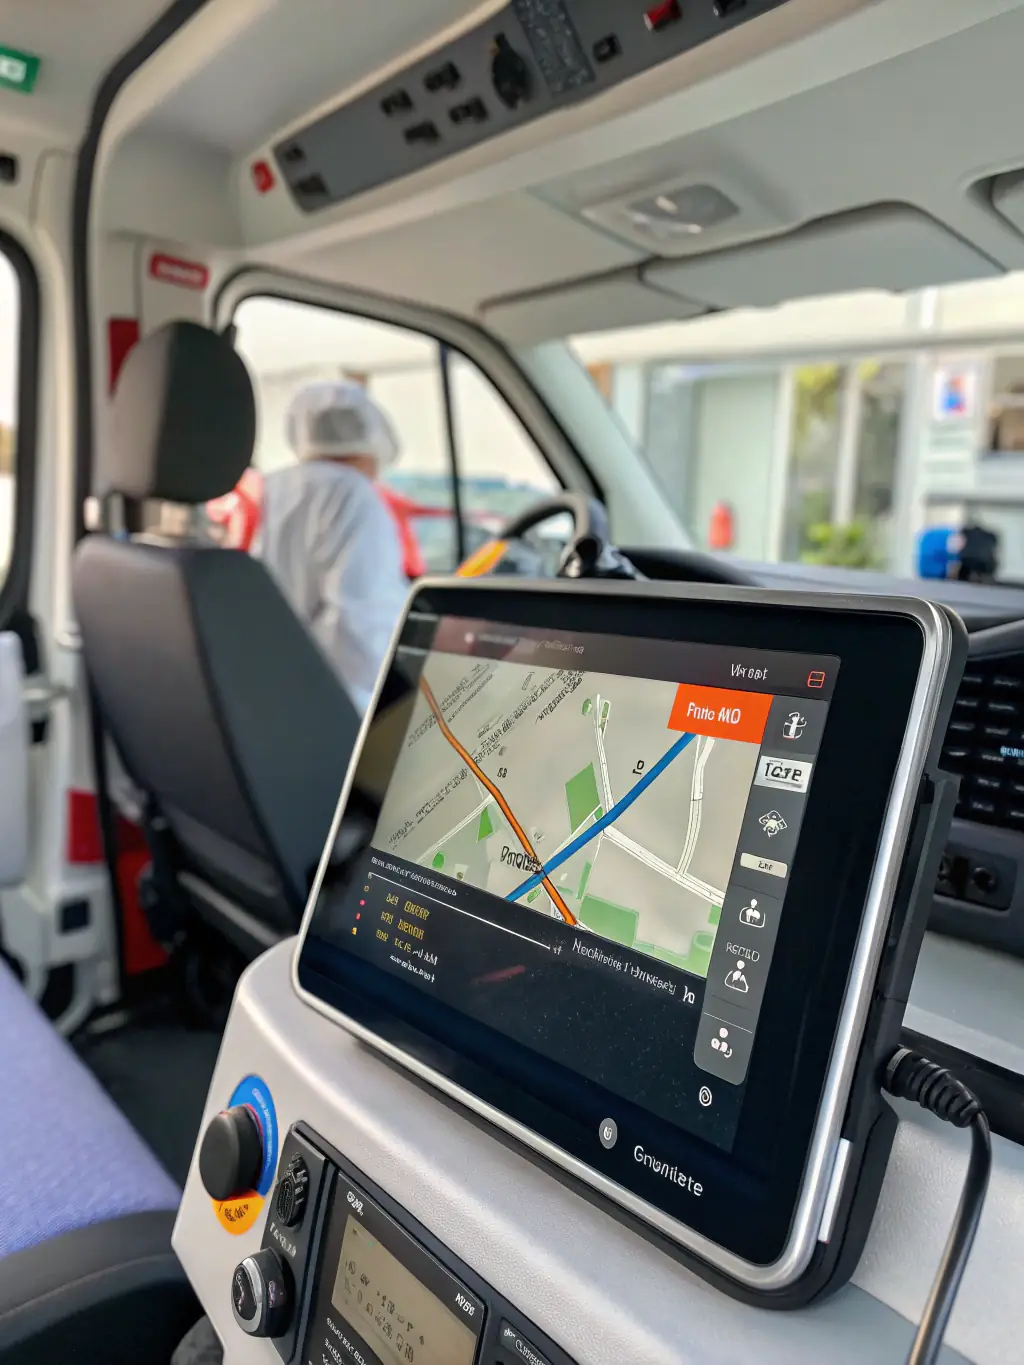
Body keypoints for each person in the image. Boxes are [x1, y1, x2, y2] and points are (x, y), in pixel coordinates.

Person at [252, 381, 409, 713]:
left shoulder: (273, 487)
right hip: (335, 704)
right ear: (370, 446)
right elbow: (362, 629)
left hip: (271, 689)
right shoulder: (354, 495)